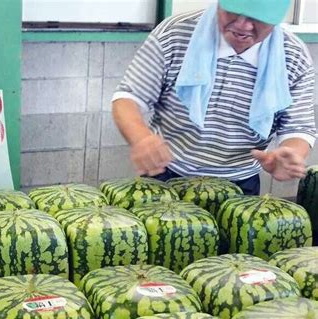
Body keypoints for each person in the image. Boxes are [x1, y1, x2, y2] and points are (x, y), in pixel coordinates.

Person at [112, 0, 316, 195]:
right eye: (233, 11)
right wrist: (141, 138)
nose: (242, 25)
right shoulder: (175, 33)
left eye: (257, 18)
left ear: (276, 19)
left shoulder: (294, 57)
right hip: (165, 173)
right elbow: (129, 97)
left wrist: (291, 153)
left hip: (240, 184)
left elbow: (298, 128)